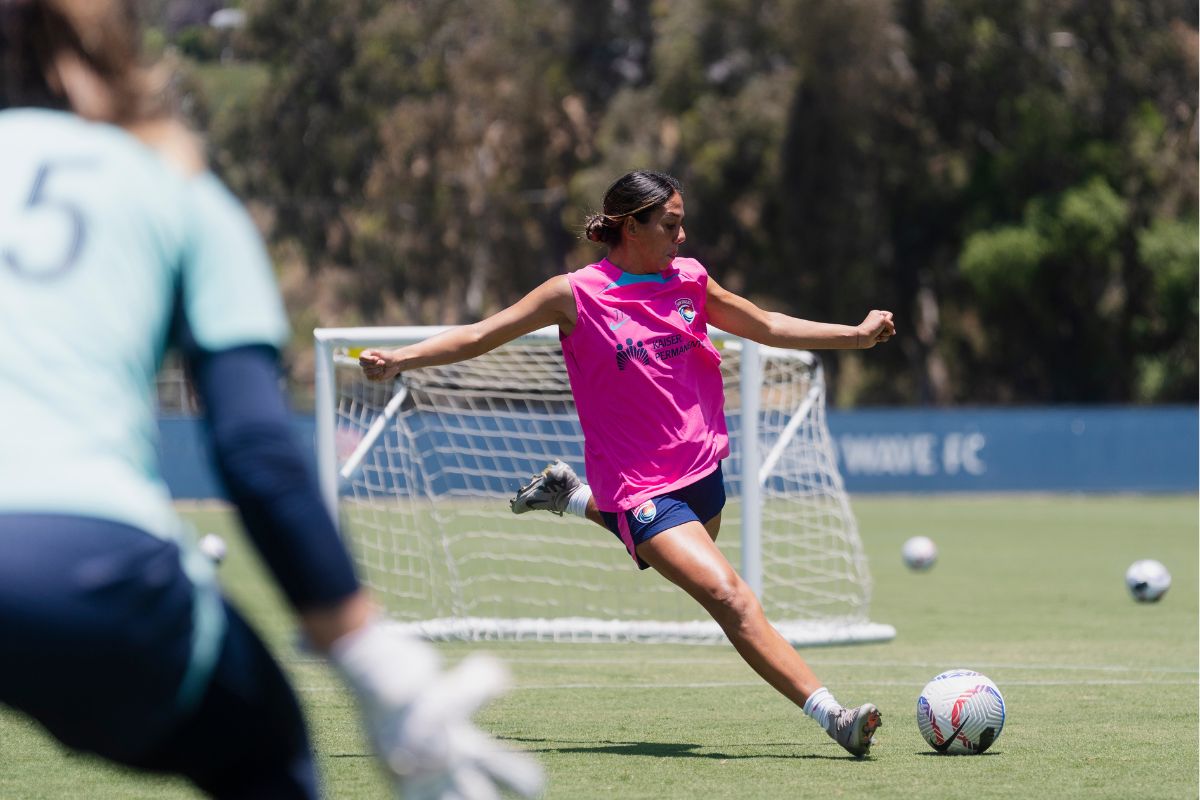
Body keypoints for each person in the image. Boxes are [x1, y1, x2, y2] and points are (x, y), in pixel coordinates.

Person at [0, 2, 543, 798]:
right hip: (84, 560)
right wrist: (374, 661)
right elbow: (255, 450)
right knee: (264, 753)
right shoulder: (177, 192)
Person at [360, 169, 896, 757]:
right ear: (630, 227)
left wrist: (855, 335)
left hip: (704, 472)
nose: (682, 236)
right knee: (731, 598)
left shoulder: (689, 280)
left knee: (676, 557)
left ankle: (572, 497)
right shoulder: (575, 293)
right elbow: (481, 335)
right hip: (641, 486)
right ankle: (836, 718)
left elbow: (765, 325)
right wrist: (401, 359)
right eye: (670, 224)